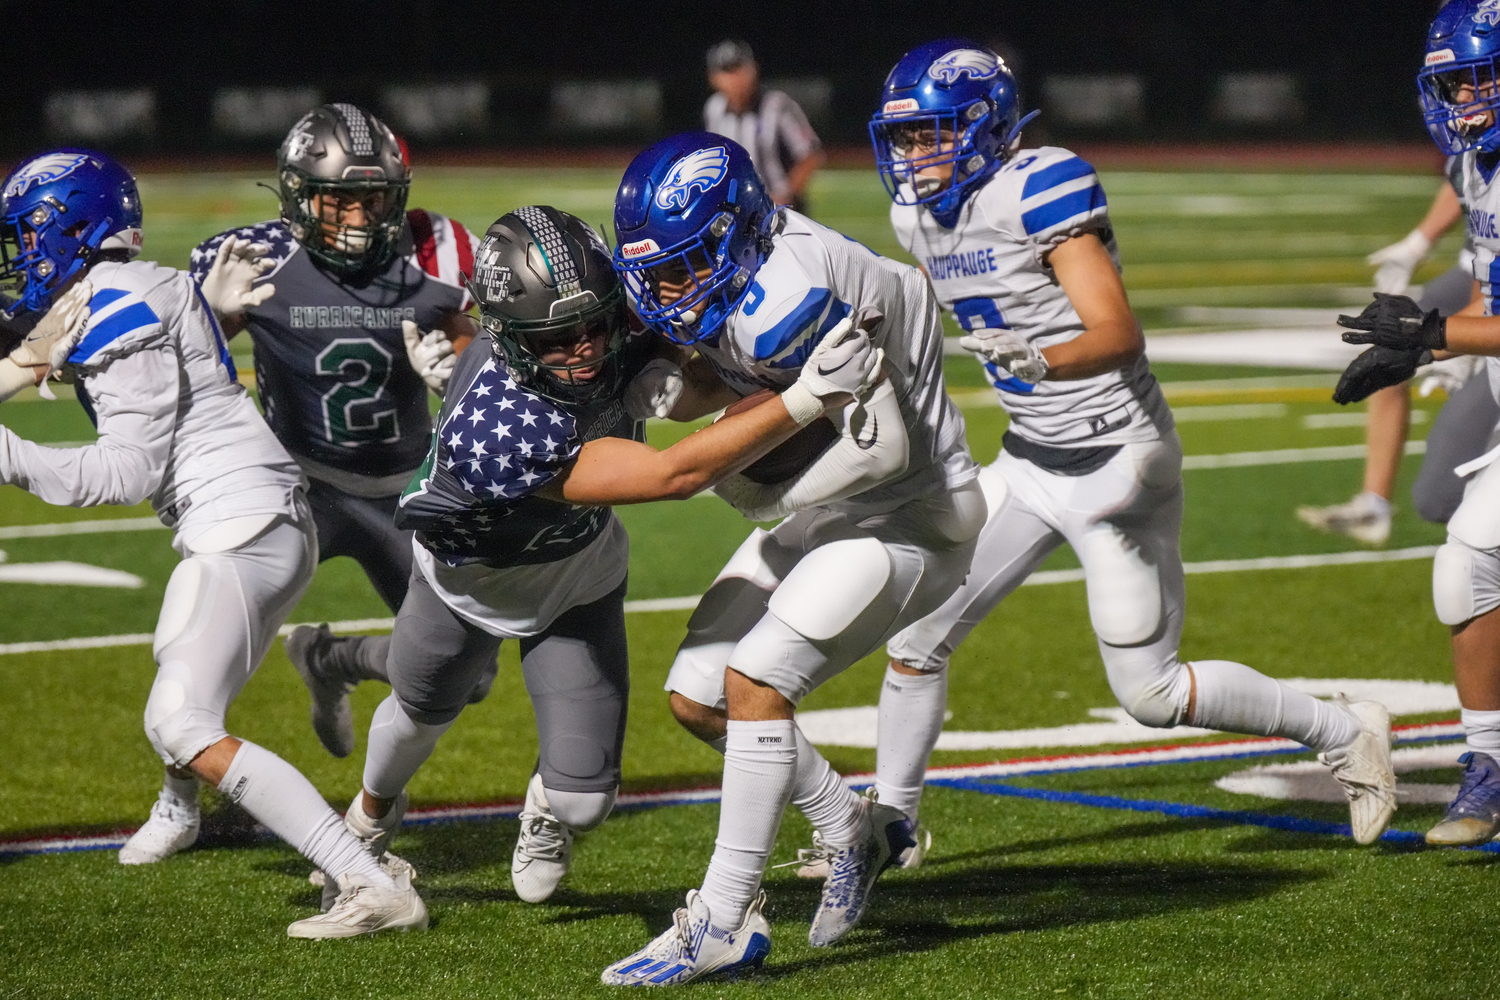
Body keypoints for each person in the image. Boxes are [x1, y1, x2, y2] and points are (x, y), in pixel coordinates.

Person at [863, 39, 1398, 860]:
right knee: (916, 637)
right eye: (901, 139)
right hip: (1031, 459)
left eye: (928, 134)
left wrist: (1042, 358)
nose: (911, 157)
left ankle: (1344, 729)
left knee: (1150, 693)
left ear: (984, 124)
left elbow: (1116, 332)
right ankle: (889, 825)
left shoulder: (1039, 186)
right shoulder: (915, 218)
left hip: (1118, 462)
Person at [324, 205, 884, 912]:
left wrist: (684, 370)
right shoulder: (496, 423)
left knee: (583, 801)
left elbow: (705, 355)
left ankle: (547, 802)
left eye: (597, 324)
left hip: (580, 570)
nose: (587, 347)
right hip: (469, 583)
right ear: (513, 335)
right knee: (418, 715)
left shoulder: (613, 315)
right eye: (559, 336)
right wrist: (806, 395)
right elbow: (671, 476)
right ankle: (368, 821)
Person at [0, 148, 425, 938]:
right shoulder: (132, 286)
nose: (20, 256)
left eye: (27, 237)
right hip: (256, 516)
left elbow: (124, 472)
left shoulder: (114, 304)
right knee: (179, 653)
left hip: (244, 524)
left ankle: (368, 878)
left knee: (182, 721)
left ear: (67, 230)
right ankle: (180, 808)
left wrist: (9, 454)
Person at [601, 133, 985, 986]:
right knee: (698, 699)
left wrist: (741, 486)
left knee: (755, 682)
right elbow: (757, 381)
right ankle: (852, 827)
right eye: (655, 272)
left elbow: (878, 450)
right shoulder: (751, 275)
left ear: (735, 232)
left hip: (910, 515)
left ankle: (723, 919)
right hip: (845, 499)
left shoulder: (789, 292)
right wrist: (691, 391)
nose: (665, 293)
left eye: (682, 267)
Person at [188, 103, 491, 760]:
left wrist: (457, 375)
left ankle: (332, 661)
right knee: (205, 648)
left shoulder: (441, 250)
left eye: (372, 199)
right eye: (338, 202)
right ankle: (178, 794)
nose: (358, 220)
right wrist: (207, 324)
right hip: (295, 490)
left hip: (408, 490)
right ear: (299, 196)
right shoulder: (250, 258)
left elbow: (490, 366)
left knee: (470, 674)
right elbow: (172, 377)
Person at [1333, 0, 1500, 847]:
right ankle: (1491, 763)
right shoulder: (1477, 165)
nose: (1468, 100)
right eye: (1455, 82)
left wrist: (1440, 337)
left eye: (1485, 78)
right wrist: (1434, 348)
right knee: (1466, 562)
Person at [1297, 176, 1477, 544]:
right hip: (1477, 273)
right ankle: (1374, 501)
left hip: (1487, 284)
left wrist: (1453, 339)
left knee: (1442, 497)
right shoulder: (1475, 140)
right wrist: (1418, 242)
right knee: (1388, 351)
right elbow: (1463, 176)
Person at [704, 39, 825, 213]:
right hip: (737, 211)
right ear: (713, 78)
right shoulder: (713, 108)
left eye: (739, 69)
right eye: (727, 71)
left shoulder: (777, 105)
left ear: (753, 69)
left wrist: (784, 195)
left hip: (782, 211)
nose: (735, 78)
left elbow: (810, 155)